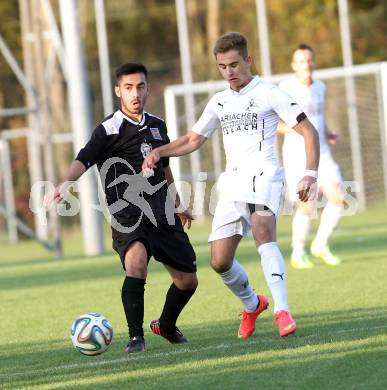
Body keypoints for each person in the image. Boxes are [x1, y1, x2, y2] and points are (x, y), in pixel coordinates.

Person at [142, 32, 320, 338]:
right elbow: (194, 139)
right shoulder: (220, 101)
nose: (229, 72)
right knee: (219, 261)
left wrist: (310, 174)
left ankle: (282, 310)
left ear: (248, 60)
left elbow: (309, 131)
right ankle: (253, 304)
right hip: (233, 182)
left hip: (264, 176)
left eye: (234, 64)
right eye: (223, 66)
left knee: (264, 234)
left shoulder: (269, 93)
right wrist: (161, 151)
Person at [44, 63, 198, 353]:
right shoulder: (109, 129)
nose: (135, 93)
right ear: (118, 91)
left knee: (188, 280)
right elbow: (84, 158)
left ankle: (165, 325)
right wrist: (64, 184)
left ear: (148, 88)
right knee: (136, 264)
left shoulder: (157, 125)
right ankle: (135, 338)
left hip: (162, 212)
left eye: (140, 86)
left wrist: (177, 203)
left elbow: (165, 168)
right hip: (127, 215)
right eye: (128, 88)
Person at [278, 44, 344, 269]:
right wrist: (297, 130)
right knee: (308, 206)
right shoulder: (285, 88)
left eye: (309, 60)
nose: (306, 64)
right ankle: (298, 252)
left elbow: (319, 116)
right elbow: (275, 123)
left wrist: (327, 131)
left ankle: (320, 244)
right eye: (301, 61)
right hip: (297, 155)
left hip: (322, 152)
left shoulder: (320, 87)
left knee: (338, 198)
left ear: (313, 62)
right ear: (293, 65)